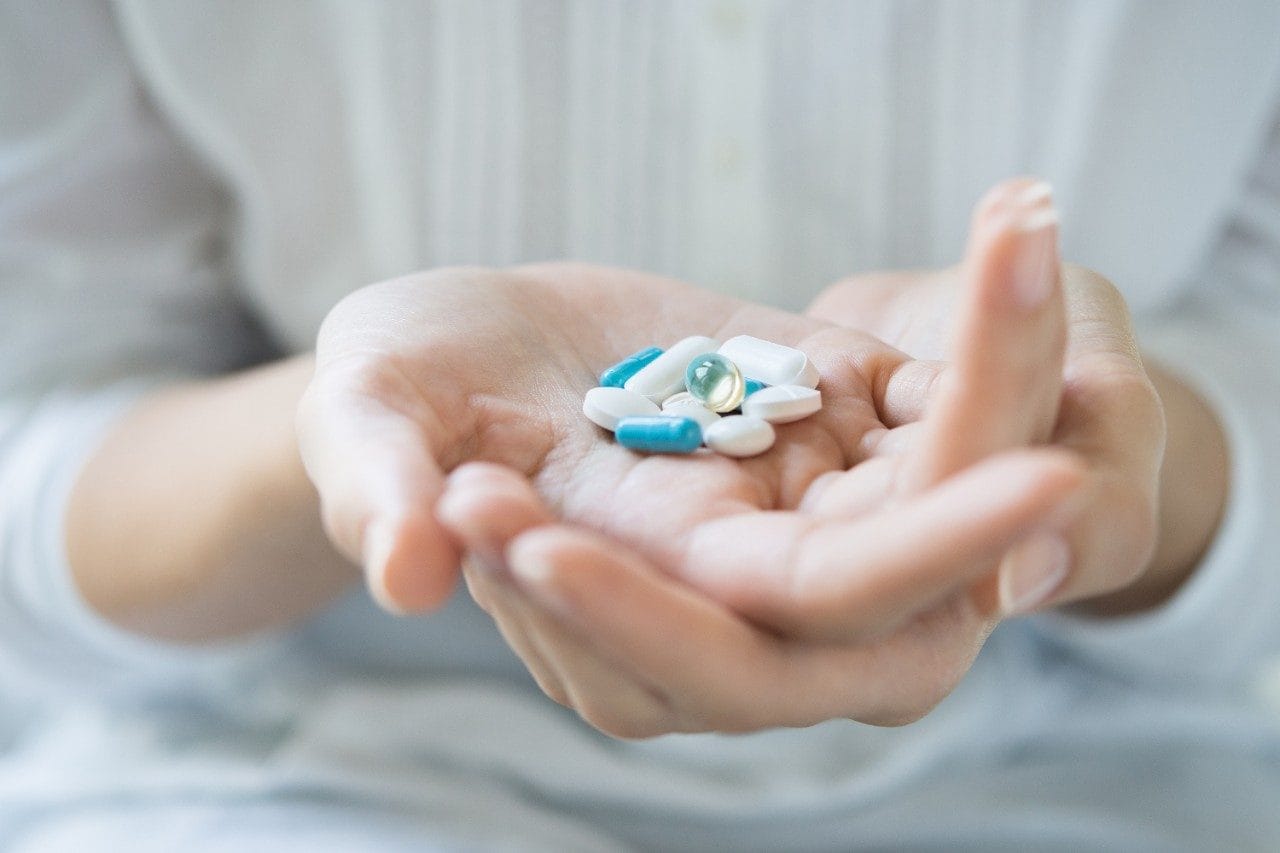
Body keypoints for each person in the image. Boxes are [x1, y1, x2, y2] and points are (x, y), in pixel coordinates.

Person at [2, 2, 1278, 850]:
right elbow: (40, 440)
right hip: (295, 776)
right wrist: (348, 429)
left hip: (1096, 780)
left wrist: (1090, 452)